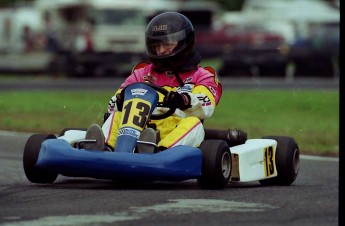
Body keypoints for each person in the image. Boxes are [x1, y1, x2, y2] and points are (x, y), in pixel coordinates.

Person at [84, 12, 246, 152]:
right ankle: (106, 148)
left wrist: (182, 100)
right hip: (138, 129)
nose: (160, 50)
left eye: (166, 44)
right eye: (156, 45)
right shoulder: (141, 74)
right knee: (117, 115)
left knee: (193, 123)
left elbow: (205, 106)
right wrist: (120, 101)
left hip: (176, 131)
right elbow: (113, 105)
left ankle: (159, 150)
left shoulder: (202, 75)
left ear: (184, 43)